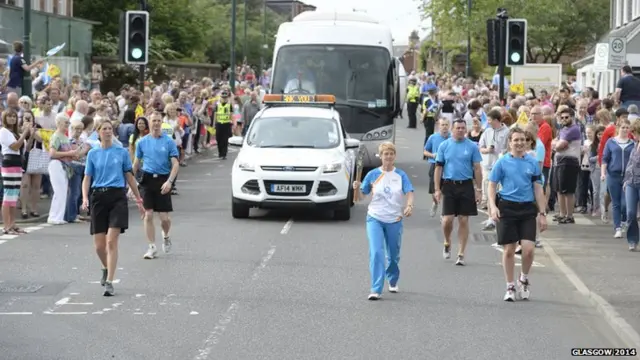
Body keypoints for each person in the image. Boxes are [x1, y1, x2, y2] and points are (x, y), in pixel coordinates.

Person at [82, 120, 144, 296]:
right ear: (98, 132)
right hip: (98, 197)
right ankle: (104, 267)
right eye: (104, 129)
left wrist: (139, 200)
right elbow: (87, 178)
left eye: (110, 129)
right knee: (99, 246)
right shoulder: (93, 154)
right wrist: (85, 198)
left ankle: (109, 280)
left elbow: (130, 177)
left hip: (117, 196)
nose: (108, 132)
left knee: (111, 241)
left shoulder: (122, 152)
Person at [488, 127, 548, 302]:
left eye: (522, 140)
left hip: (527, 208)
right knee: (509, 250)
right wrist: (492, 206)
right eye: (516, 140)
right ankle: (510, 286)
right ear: (510, 142)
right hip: (507, 207)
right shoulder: (502, 162)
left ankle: (523, 277)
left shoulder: (532, 163)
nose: (520, 143)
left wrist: (542, 213)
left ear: (527, 142)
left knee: (528, 249)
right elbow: (492, 185)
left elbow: (538, 188)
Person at [353, 142, 414, 301]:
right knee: (376, 252)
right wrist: (356, 189)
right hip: (375, 218)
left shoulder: (401, 175)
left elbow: (409, 192)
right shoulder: (373, 174)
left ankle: (392, 278)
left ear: (395, 156)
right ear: (381, 156)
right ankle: (376, 288)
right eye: (385, 154)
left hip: (394, 219)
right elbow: (360, 198)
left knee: (393, 256)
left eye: (391, 153)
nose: (388, 156)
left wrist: (409, 205)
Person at [434, 119, 483, 265]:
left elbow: (477, 168)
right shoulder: (444, 145)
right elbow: (438, 168)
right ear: (452, 129)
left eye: (463, 128)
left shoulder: (472, 146)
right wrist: (437, 189)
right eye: (458, 128)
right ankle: (447, 241)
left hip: (466, 185)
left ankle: (461, 253)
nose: (461, 130)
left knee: (463, 219)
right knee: (447, 220)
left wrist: (479, 189)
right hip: (449, 184)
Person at [133, 111, 180, 260]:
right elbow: (136, 164)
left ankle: (166, 236)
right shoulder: (142, 142)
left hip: (163, 180)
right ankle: (151, 247)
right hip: (147, 180)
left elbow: (175, 164)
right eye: (154, 121)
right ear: (149, 123)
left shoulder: (168, 141)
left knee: (164, 218)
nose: (156, 123)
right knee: (148, 214)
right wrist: (131, 184)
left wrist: (170, 182)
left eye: (159, 121)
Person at [0, 109, 31, 234]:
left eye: (14, 116)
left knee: (14, 195)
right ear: (5, 118)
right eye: (9, 116)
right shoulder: (4, 131)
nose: (12, 119)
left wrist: (30, 134)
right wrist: (24, 134)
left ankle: (13, 224)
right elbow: (14, 146)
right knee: (8, 195)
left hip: (18, 162)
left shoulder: (15, 132)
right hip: (9, 162)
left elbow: (25, 148)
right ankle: (6, 225)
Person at [423, 117, 450, 217]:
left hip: (448, 166)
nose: (444, 127)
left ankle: (444, 214)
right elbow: (425, 151)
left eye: (446, 125)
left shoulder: (452, 138)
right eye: (442, 125)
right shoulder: (433, 137)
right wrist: (432, 155)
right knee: (434, 190)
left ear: (449, 126)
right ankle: (435, 203)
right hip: (435, 165)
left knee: (447, 191)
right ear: (439, 126)